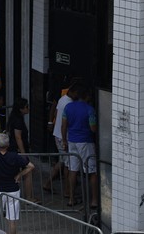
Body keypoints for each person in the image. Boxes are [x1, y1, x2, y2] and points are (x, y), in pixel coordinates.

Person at [61, 82, 98, 210]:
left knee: (73, 170)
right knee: (92, 171)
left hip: (71, 141)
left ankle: (71, 198)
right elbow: (93, 128)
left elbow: (63, 125)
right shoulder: (89, 109)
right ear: (87, 96)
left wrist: (64, 140)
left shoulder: (68, 107)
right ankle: (93, 200)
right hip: (85, 142)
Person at [6, 98, 36, 202]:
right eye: (26, 106)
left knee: (27, 170)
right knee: (29, 170)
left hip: (15, 149)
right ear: (21, 109)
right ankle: (28, 197)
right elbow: (18, 137)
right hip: (17, 150)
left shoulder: (15, 118)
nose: (28, 108)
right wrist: (23, 153)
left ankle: (27, 195)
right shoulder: (18, 121)